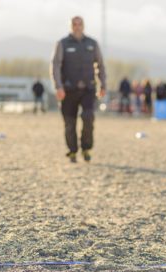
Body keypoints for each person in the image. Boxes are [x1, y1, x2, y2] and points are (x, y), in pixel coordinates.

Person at [51, 16, 106, 163]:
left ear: (83, 26)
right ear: (71, 26)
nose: (77, 26)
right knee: (70, 123)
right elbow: (55, 66)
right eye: (74, 24)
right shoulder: (62, 43)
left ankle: (86, 148)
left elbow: (100, 65)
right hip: (68, 90)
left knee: (88, 117)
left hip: (88, 89)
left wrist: (103, 85)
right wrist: (58, 87)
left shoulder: (92, 43)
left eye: (80, 24)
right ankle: (72, 151)